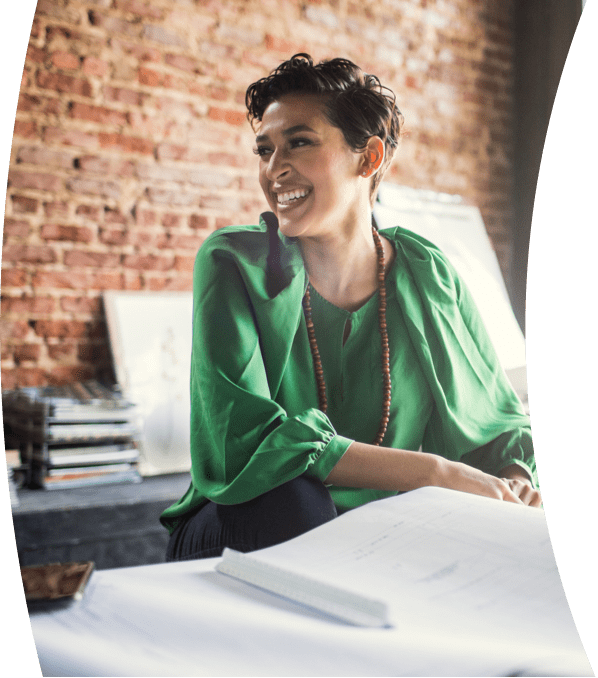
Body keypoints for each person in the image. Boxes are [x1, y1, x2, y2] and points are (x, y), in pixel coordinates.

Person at [162, 53, 541, 562]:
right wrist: (433, 471)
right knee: (294, 498)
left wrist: (514, 483)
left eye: (299, 142)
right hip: (245, 522)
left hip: (385, 535)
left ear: (369, 158)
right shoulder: (233, 262)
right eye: (265, 150)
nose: (275, 169)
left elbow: (497, 425)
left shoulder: (428, 273)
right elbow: (244, 441)